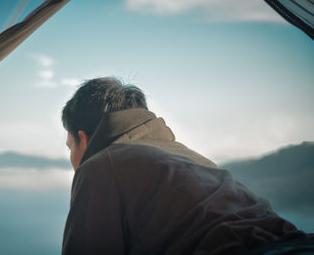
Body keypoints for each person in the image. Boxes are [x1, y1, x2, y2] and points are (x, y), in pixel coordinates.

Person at [61, 77, 313, 254]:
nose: (72, 156)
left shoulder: (100, 165)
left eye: (70, 146)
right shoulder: (187, 156)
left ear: (83, 138)